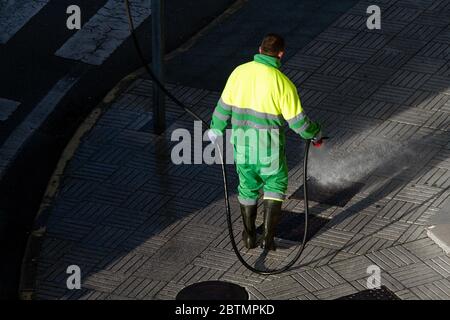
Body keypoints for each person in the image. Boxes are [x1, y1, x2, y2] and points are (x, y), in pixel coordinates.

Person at [208, 34, 322, 251]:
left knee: (247, 186)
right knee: (275, 185)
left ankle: (249, 235)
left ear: (259, 50)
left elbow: (223, 107)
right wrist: (315, 134)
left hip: (241, 143)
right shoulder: (282, 83)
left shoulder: (238, 73)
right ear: (280, 54)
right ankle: (268, 238)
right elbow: (299, 124)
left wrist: (215, 129)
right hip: (268, 147)